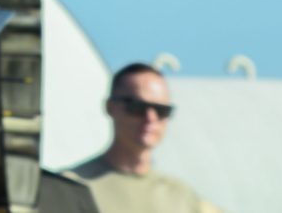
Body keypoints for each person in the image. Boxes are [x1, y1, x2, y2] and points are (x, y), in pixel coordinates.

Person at [67, 63, 225, 213]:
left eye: (161, 111)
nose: (150, 118)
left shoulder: (184, 200)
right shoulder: (70, 188)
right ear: (110, 107)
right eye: (137, 107)